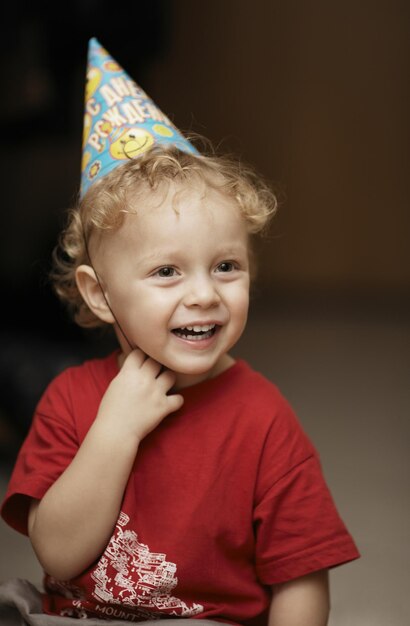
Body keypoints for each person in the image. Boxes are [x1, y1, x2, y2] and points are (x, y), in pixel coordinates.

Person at [0, 39, 359, 625]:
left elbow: (300, 578)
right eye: (167, 271)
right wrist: (114, 429)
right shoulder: (70, 401)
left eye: (226, 266)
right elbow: (59, 555)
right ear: (100, 294)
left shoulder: (264, 418)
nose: (203, 293)